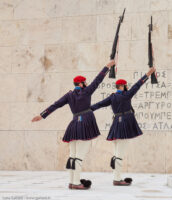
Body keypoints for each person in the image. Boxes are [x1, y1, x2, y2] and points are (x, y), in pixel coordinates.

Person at [31, 60, 115, 190]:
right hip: (85, 123)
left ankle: (72, 181)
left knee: (73, 156)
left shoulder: (69, 95)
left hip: (74, 124)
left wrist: (42, 115)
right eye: (85, 83)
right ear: (81, 84)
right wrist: (107, 66)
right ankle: (76, 183)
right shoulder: (86, 91)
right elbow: (98, 80)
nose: (86, 84)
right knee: (79, 156)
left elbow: (55, 104)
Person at [91, 67, 156, 186]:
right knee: (120, 153)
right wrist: (148, 74)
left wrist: (87, 109)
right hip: (124, 124)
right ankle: (117, 179)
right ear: (122, 86)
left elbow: (99, 104)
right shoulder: (126, 95)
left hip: (116, 123)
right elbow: (137, 85)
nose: (127, 87)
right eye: (125, 86)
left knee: (117, 151)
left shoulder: (112, 97)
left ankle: (117, 176)